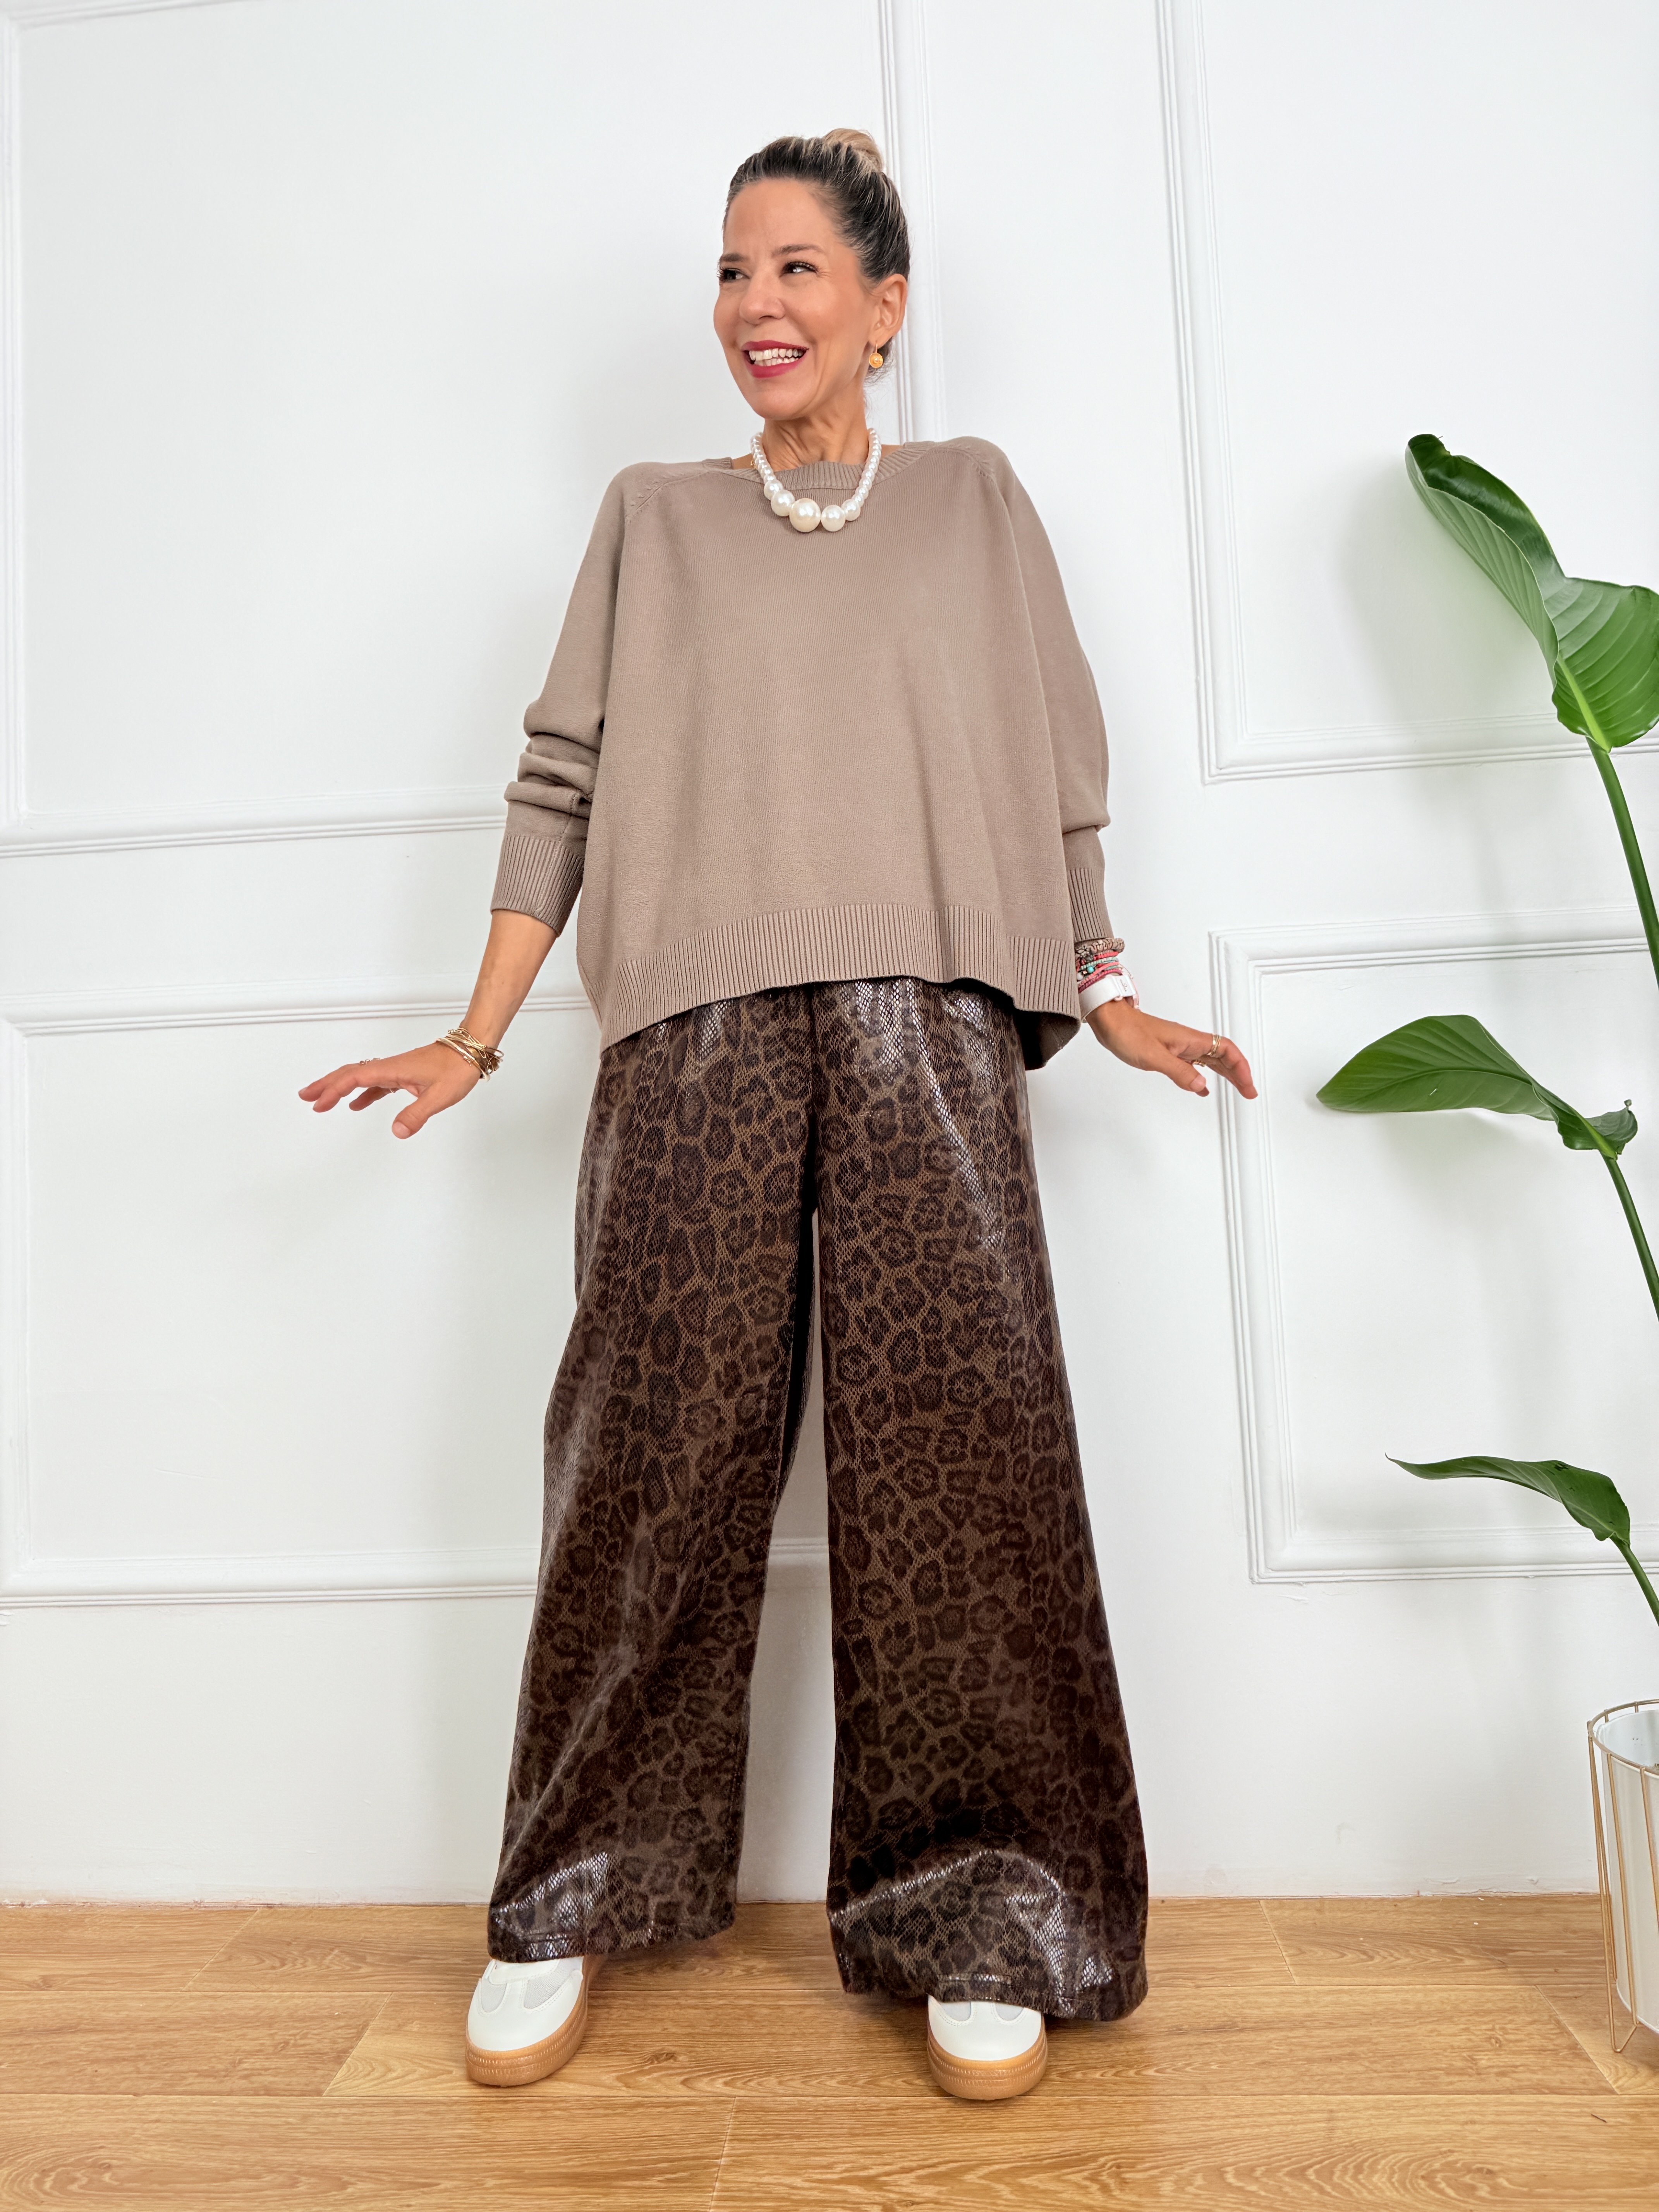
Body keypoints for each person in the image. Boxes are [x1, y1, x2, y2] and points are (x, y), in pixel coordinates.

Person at [301, 127, 1256, 2102]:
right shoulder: (652, 518)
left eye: (801, 266)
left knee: (963, 1468)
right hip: (693, 1040)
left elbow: (1057, 771)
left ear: (886, 307)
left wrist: (1103, 990)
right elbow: (559, 783)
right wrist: (474, 1035)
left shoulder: (974, 501)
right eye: (733, 270)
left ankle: (985, 1909)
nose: (757, 303)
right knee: (647, 1461)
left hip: (931, 1019)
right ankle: (571, 1889)